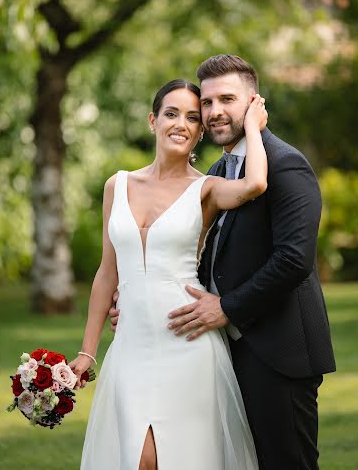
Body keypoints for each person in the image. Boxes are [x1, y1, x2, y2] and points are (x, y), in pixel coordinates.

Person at [111, 55, 336, 470]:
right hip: (225, 352)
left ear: (254, 103)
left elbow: (294, 259)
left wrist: (226, 307)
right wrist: (143, 302)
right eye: (208, 103)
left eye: (227, 100)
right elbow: (201, 260)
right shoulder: (218, 171)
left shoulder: (286, 165)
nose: (214, 112)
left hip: (279, 352)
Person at [69, 78, 268, 470]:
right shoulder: (118, 184)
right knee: (137, 459)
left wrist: (252, 128)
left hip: (187, 341)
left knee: (176, 459)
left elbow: (256, 183)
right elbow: (107, 274)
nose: (181, 123)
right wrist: (87, 351)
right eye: (171, 113)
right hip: (130, 345)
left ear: (199, 133)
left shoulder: (207, 189)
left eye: (193, 118)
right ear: (152, 120)